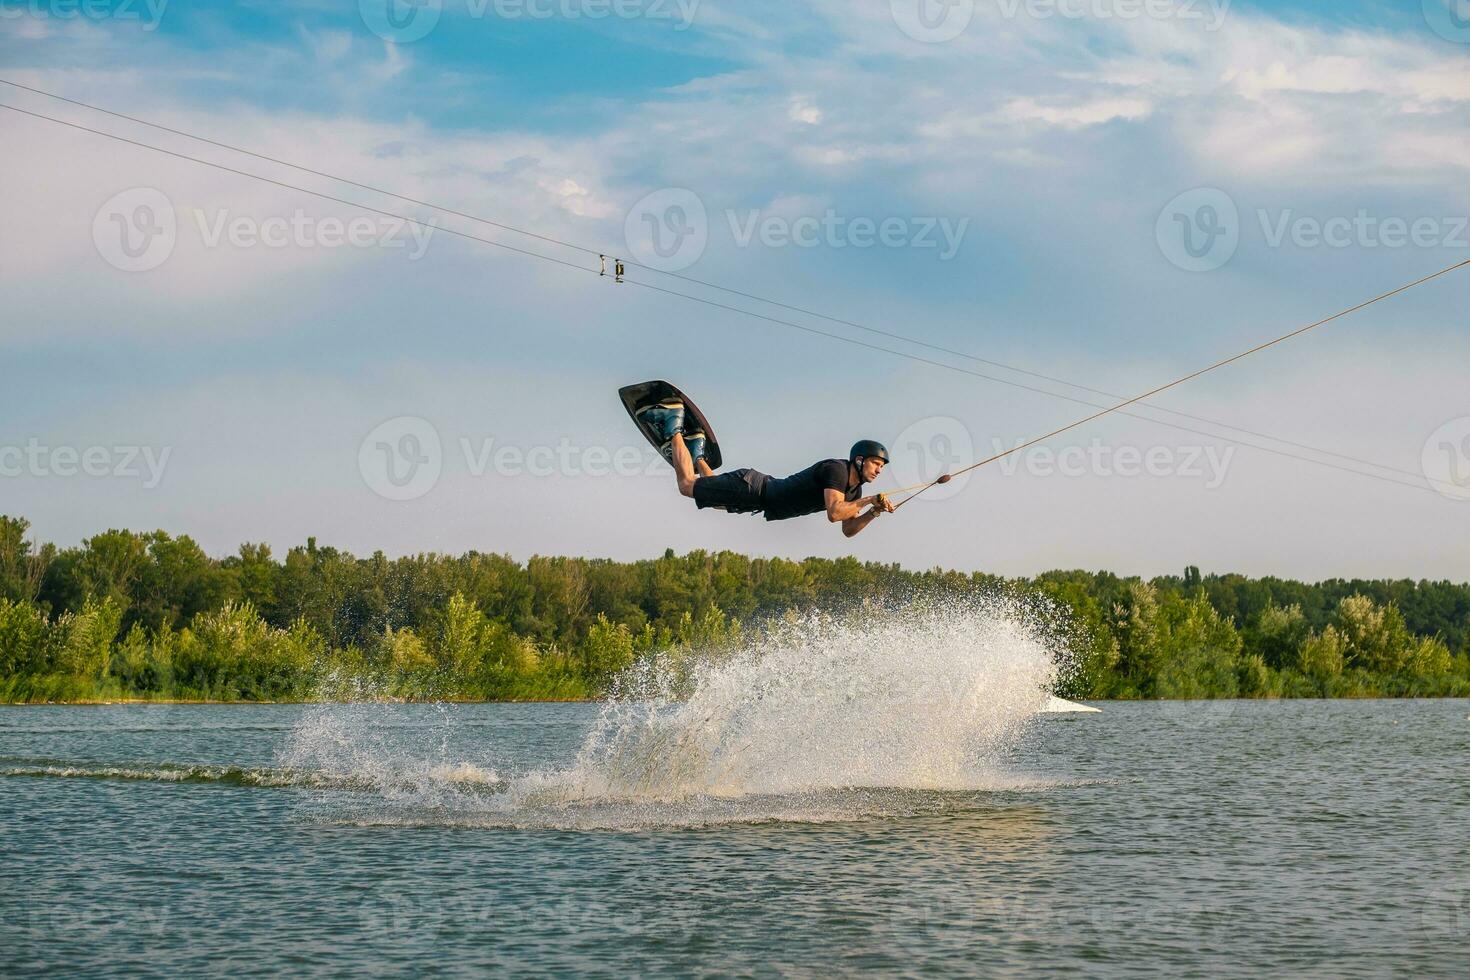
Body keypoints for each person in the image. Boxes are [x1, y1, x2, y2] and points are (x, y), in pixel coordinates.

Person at [636, 399, 896, 537]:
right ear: (859, 460)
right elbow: (834, 513)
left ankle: (697, 451)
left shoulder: (854, 492)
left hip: (755, 500)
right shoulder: (837, 471)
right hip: (753, 488)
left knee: (716, 502)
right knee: (687, 486)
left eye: (882, 466)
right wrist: (871, 500)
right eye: (876, 463)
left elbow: (848, 529)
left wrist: (873, 512)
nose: (878, 470)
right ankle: (673, 425)